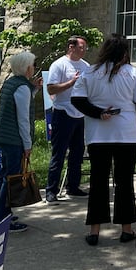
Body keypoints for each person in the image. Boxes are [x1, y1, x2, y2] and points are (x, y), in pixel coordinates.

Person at [70, 33, 136, 246]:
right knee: (125, 182)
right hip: (126, 134)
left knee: (98, 182)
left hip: (98, 135)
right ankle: (126, 229)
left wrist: (97, 113)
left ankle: (94, 231)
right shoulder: (132, 73)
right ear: (124, 52)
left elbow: (77, 100)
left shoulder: (90, 72)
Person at [0, 51, 43, 233]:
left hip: (2, 136)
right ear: (26, 67)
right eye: (32, 65)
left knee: (4, 175)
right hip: (13, 139)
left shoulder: (12, 82)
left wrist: (33, 89)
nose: (34, 68)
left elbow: (18, 105)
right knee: (10, 178)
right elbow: (23, 119)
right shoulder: (21, 87)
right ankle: (3, 217)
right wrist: (27, 145)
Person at [44, 36, 90, 203]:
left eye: (85, 48)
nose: (84, 50)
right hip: (63, 112)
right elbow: (51, 87)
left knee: (77, 153)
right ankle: (51, 190)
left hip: (80, 114)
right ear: (71, 47)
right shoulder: (59, 65)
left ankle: (73, 186)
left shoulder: (86, 66)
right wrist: (71, 82)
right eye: (81, 47)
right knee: (59, 153)